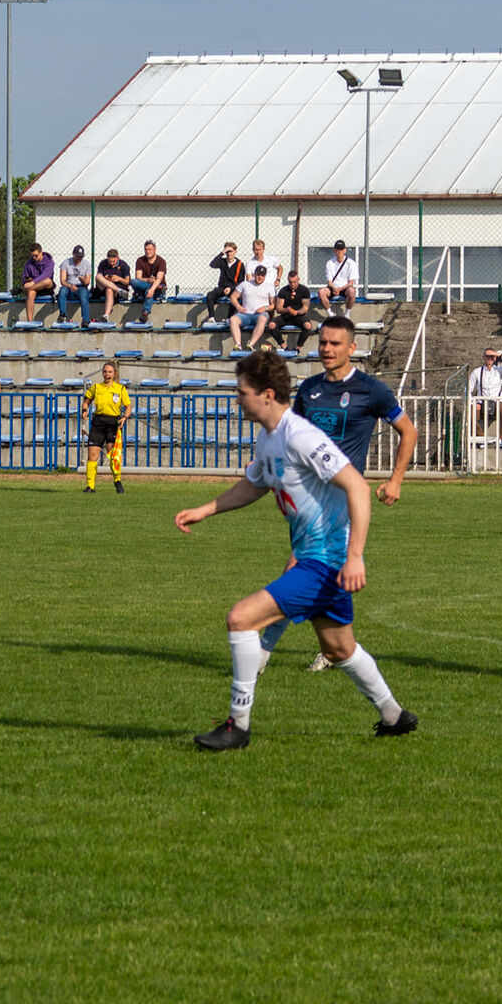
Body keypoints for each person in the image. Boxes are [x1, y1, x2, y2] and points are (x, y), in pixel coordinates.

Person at [177, 351, 417, 749]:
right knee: (339, 649)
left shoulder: (301, 436)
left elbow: (357, 487)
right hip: (315, 559)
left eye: (243, 393)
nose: (238, 400)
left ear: (267, 394)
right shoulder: (269, 436)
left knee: (241, 619)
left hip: (326, 562)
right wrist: (205, 510)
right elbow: (255, 483)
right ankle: (395, 716)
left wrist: (354, 555)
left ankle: (238, 726)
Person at [264, 315, 419, 672]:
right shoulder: (309, 389)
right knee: (319, 576)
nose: (327, 350)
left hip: (343, 499)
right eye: (323, 343)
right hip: (307, 499)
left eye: (335, 344)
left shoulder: (370, 389)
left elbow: (407, 431)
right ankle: (337, 649)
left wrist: (395, 480)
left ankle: (262, 653)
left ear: (352, 348)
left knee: (296, 570)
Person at [81, 360, 130, 493]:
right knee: (92, 455)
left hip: (113, 424)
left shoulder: (120, 389)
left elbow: (128, 407)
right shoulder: (97, 387)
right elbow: (86, 401)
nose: (107, 374)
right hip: (98, 423)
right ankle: (90, 486)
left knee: (113, 455)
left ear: (114, 374)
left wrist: (124, 417)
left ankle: (117, 481)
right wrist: (84, 410)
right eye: (105, 371)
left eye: (109, 372)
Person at [468, 347, 502, 444]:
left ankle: (500, 438)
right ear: (483, 357)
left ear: (495, 358)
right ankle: (482, 439)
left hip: (496, 400)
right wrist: (473, 402)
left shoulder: (498, 370)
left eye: (492, 356)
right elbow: (469, 389)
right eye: (487, 356)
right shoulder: (476, 371)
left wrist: (501, 355)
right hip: (481, 400)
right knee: (471, 416)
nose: (489, 358)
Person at [228, 264, 273, 350]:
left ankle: (251, 344)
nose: (260, 277)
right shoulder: (245, 284)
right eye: (258, 275)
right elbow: (233, 297)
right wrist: (238, 307)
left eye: (262, 275)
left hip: (259, 314)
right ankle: (238, 345)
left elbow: (273, 305)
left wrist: (265, 308)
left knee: (263, 319)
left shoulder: (269, 287)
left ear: (265, 276)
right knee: (233, 319)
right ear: (254, 274)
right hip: (245, 314)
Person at [269, 270, 317, 348]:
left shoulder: (304, 290)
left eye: (294, 282)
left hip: (299, 316)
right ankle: (283, 345)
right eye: (290, 282)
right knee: (271, 325)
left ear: (298, 280)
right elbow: (279, 308)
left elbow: (305, 308)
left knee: (308, 326)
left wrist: (297, 312)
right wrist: (286, 310)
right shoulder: (283, 291)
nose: (292, 284)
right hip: (286, 316)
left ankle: (298, 346)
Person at [204, 242, 247, 322]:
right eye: (227, 252)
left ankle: (229, 318)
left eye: (231, 251)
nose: (229, 254)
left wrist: (231, 288)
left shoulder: (240, 264)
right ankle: (211, 317)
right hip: (222, 287)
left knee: (234, 297)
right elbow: (212, 264)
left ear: (235, 251)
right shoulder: (222, 261)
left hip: (234, 288)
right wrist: (222, 252)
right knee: (210, 295)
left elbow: (241, 282)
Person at [129, 240, 167, 323]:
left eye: (150, 249)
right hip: (146, 284)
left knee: (148, 291)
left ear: (154, 249)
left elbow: (159, 278)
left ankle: (145, 312)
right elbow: (138, 277)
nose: (147, 251)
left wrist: (152, 289)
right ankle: (147, 293)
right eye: (146, 249)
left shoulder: (161, 261)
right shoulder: (140, 260)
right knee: (133, 282)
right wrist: (148, 280)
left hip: (157, 286)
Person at [318, 239, 358, 314]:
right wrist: (334, 288)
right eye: (337, 249)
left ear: (345, 250)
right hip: (333, 288)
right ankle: (330, 314)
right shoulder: (329, 263)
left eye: (341, 249)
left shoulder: (351, 263)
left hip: (345, 288)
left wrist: (340, 289)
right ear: (334, 250)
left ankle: (347, 313)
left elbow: (351, 283)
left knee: (352, 292)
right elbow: (329, 282)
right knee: (321, 292)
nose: (339, 251)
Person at [57, 246, 92, 326]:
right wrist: (70, 286)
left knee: (84, 296)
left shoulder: (86, 263)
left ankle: (85, 320)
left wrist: (82, 279)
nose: (80, 258)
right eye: (78, 256)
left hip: (81, 286)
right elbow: (62, 280)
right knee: (62, 291)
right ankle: (63, 315)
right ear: (73, 254)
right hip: (69, 285)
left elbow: (87, 282)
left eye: (81, 256)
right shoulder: (66, 262)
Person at [21, 243, 56, 319]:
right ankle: (30, 322)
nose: (34, 257)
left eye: (36, 255)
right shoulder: (29, 264)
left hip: (45, 288)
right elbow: (24, 277)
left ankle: (27, 290)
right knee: (31, 293)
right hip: (34, 289)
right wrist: (26, 282)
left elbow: (46, 275)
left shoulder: (50, 262)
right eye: (32, 255)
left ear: (41, 253)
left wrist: (32, 283)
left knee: (47, 281)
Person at [95, 248, 132, 318]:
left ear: (118, 258)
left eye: (114, 261)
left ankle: (106, 315)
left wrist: (118, 279)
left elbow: (127, 281)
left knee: (109, 289)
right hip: (103, 287)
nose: (112, 263)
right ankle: (118, 290)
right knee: (98, 277)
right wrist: (105, 278)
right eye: (110, 261)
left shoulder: (123, 265)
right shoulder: (103, 263)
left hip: (117, 288)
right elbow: (99, 278)